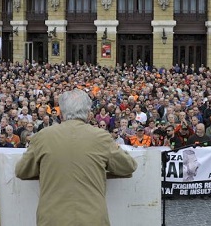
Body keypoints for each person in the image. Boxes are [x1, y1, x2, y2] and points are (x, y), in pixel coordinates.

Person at [15, 89, 137, 226]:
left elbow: (21, 171)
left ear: (61, 112)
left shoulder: (42, 137)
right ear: (87, 113)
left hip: (52, 218)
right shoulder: (101, 137)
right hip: (92, 218)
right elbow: (128, 166)